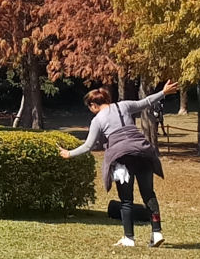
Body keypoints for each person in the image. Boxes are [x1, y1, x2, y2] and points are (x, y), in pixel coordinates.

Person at [58, 80, 178, 247]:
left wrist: (69, 153)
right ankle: (156, 232)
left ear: (93, 104)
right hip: (143, 152)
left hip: (123, 158)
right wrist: (163, 92)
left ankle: (129, 238)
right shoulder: (124, 106)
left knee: (126, 200)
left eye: (90, 107)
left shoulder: (98, 120)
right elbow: (146, 102)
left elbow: (88, 146)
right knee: (149, 194)